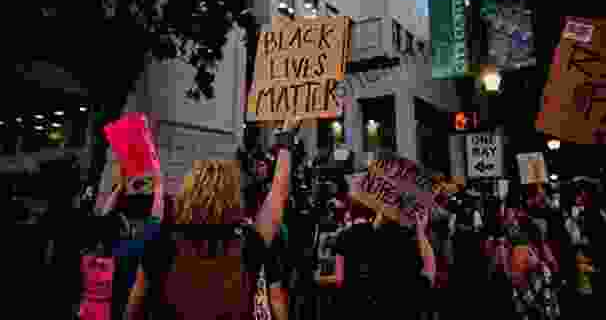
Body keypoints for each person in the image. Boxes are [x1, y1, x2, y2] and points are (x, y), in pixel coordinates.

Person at [125, 115, 302, 320]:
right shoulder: (248, 245)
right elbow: (277, 197)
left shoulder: (160, 244)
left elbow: (133, 310)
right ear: (233, 199)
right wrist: (287, 138)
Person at [332, 199, 436, 320]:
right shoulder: (409, 247)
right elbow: (428, 276)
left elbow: (340, 279)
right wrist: (420, 231)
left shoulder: (355, 239)